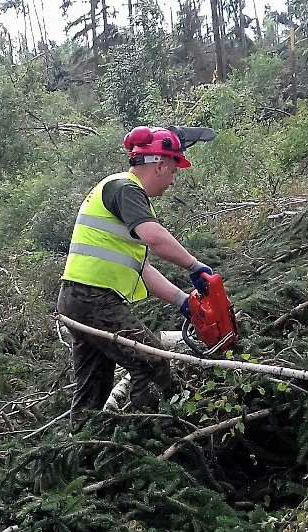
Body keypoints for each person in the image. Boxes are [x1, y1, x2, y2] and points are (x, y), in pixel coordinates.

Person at [58, 125, 216, 432]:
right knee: (151, 361)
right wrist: (195, 266)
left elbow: (141, 267)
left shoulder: (116, 191)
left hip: (75, 299)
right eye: (173, 169)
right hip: (94, 298)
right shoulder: (126, 188)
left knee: (93, 389)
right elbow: (154, 238)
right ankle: (153, 436)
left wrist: (183, 302)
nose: (172, 180)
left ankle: (80, 453)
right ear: (159, 164)